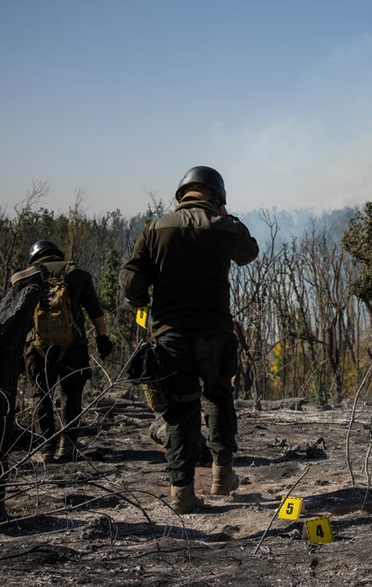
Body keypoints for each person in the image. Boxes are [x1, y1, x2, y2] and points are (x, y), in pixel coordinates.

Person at [119, 165, 258, 514]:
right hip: (214, 331)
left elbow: (132, 282)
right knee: (218, 396)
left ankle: (181, 492)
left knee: (181, 407)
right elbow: (249, 253)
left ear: (182, 194)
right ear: (217, 196)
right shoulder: (225, 226)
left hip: (170, 333)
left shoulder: (155, 228)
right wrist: (228, 218)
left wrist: (142, 302)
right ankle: (222, 477)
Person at [10, 240, 113, 462]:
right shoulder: (78, 275)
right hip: (74, 346)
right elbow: (95, 312)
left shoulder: (22, 278)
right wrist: (102, 338)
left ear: (34, 257)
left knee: (40, 394)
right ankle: (68, 445)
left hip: (36, 349)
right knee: (71, 395)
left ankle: (46, 448)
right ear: (57, 254)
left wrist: (15, 352)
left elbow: (15, 319)